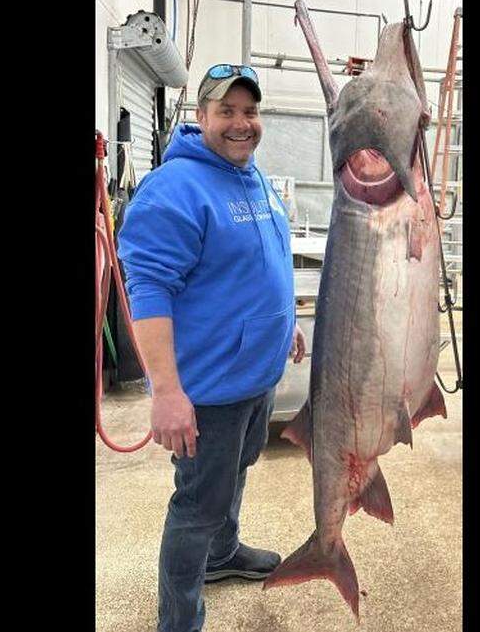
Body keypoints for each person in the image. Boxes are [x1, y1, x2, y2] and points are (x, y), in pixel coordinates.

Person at [117, 63, 307, 632]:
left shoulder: (253, 177)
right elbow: (148, 292)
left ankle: (223, 558)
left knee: (236, 474)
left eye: (249, 111)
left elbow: (257, 265)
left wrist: (283, 323)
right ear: (199, 118)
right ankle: (179, 621)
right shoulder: (173, 190)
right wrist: (167, 392)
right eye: (226, 111)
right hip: (211, 390)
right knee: (197, 507)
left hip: (256, 374)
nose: (241, 123)